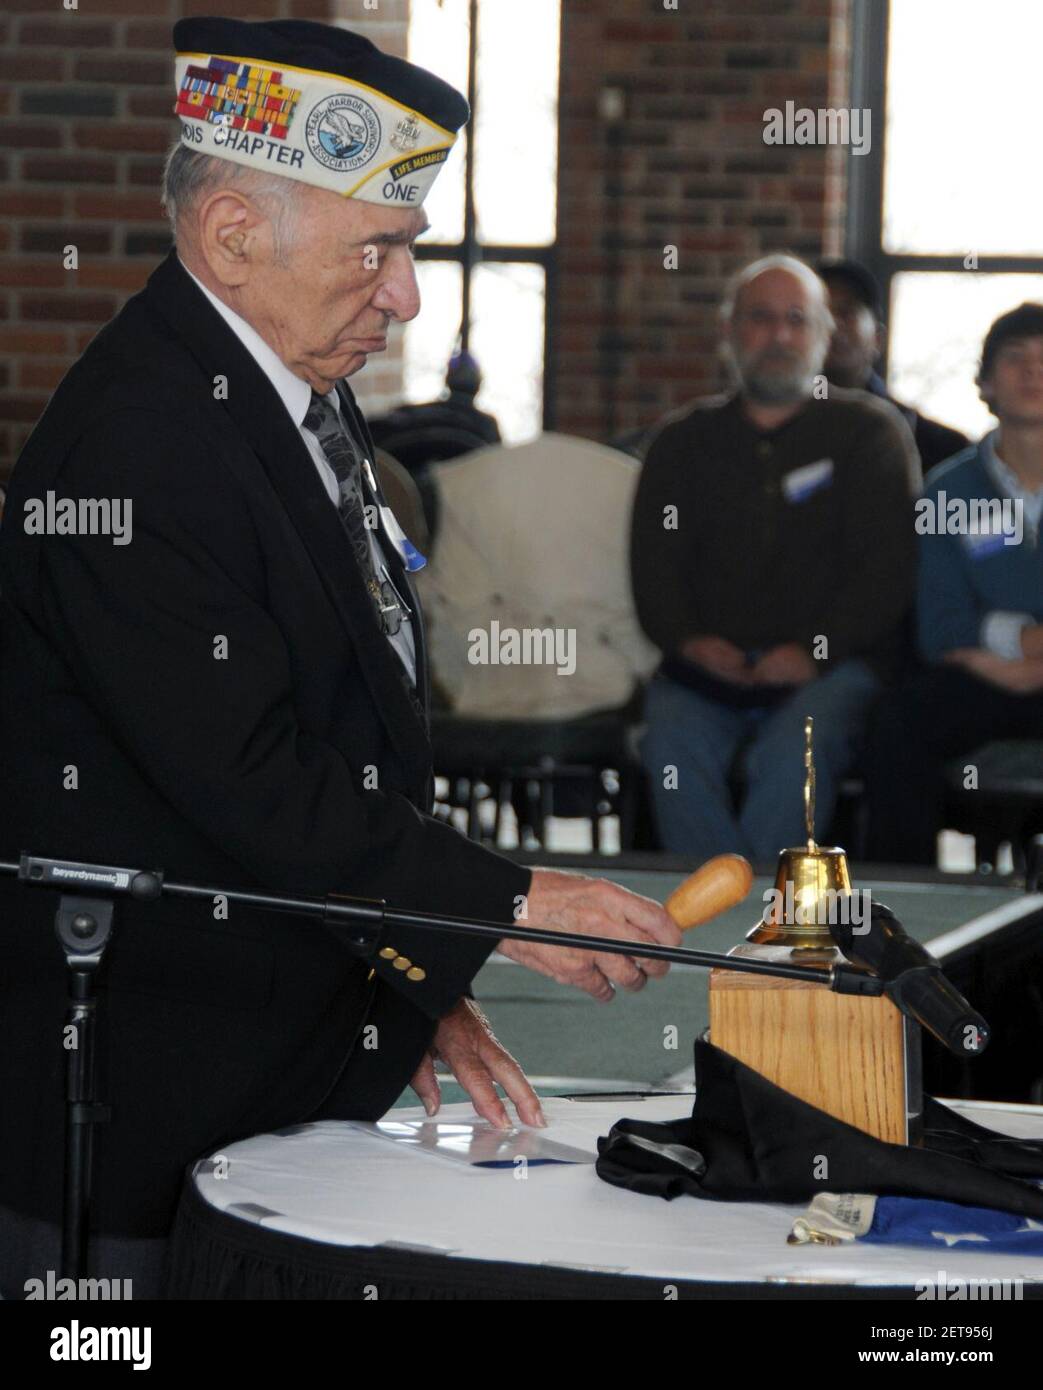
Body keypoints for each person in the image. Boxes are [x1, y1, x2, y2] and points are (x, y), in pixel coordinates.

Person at [0, 18, 680, 1297]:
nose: (405, 293)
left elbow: (337, 723)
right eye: (378, 250)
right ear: (231, 238)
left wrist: (411, 980)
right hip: (143, 1083)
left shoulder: (281, 389)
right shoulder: (139, 444)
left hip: (259, 1039)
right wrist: (510, 903)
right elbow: (248, 778)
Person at [631, 254, 919, 860]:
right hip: (704, 667)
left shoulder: (870, 434)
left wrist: (813, 652)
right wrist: (688, 642)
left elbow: (886, 573)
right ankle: (708, 918)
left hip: (832, 665)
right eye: (761, 318)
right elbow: (653, 567)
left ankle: (763, 932)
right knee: (670, 745)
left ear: (823, 335)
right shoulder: (682, 442)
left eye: (798, 319)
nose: (780, 335)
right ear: (729, 332)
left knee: (795, 755)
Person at [864, 303, 1043, 864]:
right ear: (986, 384)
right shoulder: (948, 491)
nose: (1033, 373)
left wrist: (1014, 646)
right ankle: (904, 914)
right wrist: (1018, 650)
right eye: (1015, 360)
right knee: (895, 725)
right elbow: (940, 627)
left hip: (1000, 662)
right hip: (980, 678)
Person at [818, 257, 969, 473]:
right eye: (821, 313)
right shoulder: (769, 426)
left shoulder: (938, 447)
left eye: (846, 312)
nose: (832, 324)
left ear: (878, 339)